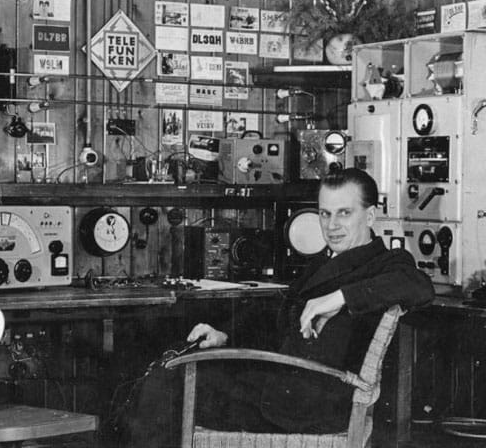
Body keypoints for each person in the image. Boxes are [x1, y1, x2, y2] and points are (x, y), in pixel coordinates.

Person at [117, 168, 434, 445]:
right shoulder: (327, 261)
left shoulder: (385, 262)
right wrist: (224, 335)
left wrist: (340, 297)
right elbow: (279, 321)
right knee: (165, 364)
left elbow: (419, 285)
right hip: (285, 389)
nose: (332, 225)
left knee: (166, 384)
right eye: (325, 214)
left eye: (344, 213)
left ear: (370, 216)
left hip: (310, 406)